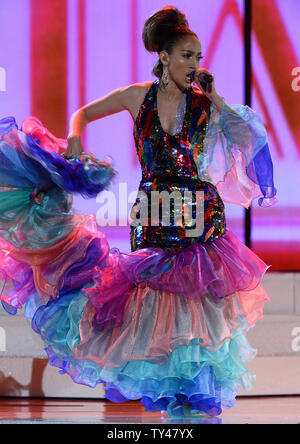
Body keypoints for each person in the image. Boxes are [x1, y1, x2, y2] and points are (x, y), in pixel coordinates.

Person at [0, 5, 277, 418]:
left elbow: (247, 136)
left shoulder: (204, 105)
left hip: (199, 222)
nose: (195, 64)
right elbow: (84, 113)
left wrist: (216, 97)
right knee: (152, 307)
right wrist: (75, 139)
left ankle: (188, 407)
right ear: (164, 56)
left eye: (199, 57)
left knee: (195, 317)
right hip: (154, 214)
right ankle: (170, 403)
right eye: (187, 55)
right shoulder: (137, 97)